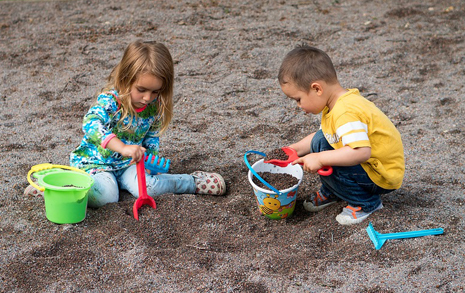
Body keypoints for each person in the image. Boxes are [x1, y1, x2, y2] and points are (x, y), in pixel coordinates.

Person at [25, 40, 226, 206]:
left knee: (149, 189)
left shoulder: (153, 107)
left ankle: (193, 182)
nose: (148, 97)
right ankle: (56, 186)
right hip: (98, 164)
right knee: (105, 197)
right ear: (125, 79)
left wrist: (148, 159)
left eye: (155, 91)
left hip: (129, 165)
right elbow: (90, 123)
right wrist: (121, 147)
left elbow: (151, 138)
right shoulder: (111, 101)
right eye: (141, 89)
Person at [278, 45, 404, 225]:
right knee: (321, 141)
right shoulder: (335, 103)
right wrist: (294, 149)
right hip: (371, 165)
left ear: (317, 89)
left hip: (381, 174)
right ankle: (335, 191)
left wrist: (320, 158)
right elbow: (325, 135)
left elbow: (360, 152)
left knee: (326, 156)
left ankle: (366, 203)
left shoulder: (346, 112)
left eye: (298, 99)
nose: (298, 105)